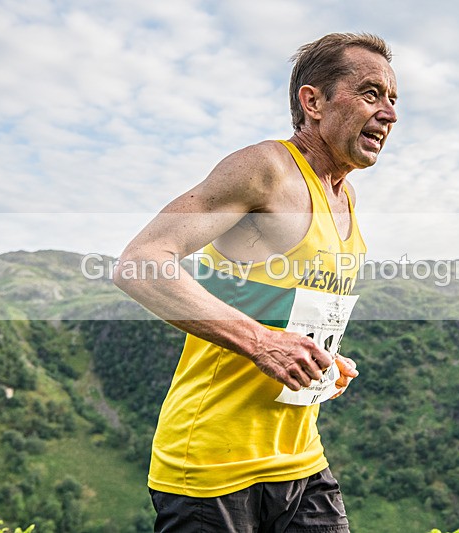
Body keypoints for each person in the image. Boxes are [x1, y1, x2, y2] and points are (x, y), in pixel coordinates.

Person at [113, 32, 397, 533]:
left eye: (393, 99)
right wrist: (262, 343)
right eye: (370, 94)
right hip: (212, 469)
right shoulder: (265, 169)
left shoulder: (345, 197)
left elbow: (283, 307)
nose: (389, 114)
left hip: (301, 459)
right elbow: (139, 262)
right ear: (313, 102)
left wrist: (320, 358)